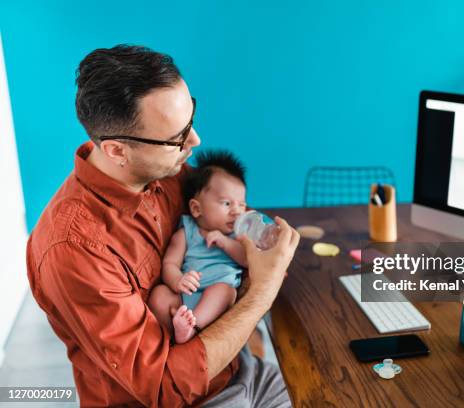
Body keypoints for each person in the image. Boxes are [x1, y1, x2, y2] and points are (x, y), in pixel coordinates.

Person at [26, 44, 299, 407]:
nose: (195, 140)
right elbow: (165, 388)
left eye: (191, 119)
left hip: (238, 368)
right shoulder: (72, 249)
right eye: (176, 138)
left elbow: (226, 220)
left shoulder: (168, 173)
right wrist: (259, 295)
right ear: (117, 151)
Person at [150, 150, 250, 344]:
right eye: (227, 203)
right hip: (185, 295)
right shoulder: (185, 233)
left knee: (226, 291)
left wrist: (225, 242)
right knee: (159, 295)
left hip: (215, 298)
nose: (236, 211)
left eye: (242, 205)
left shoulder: (238, 235)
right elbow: (170, 264)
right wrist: (178, 280)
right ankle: (170, 334)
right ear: (196, 209)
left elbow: (246, 259)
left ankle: (192, 328)